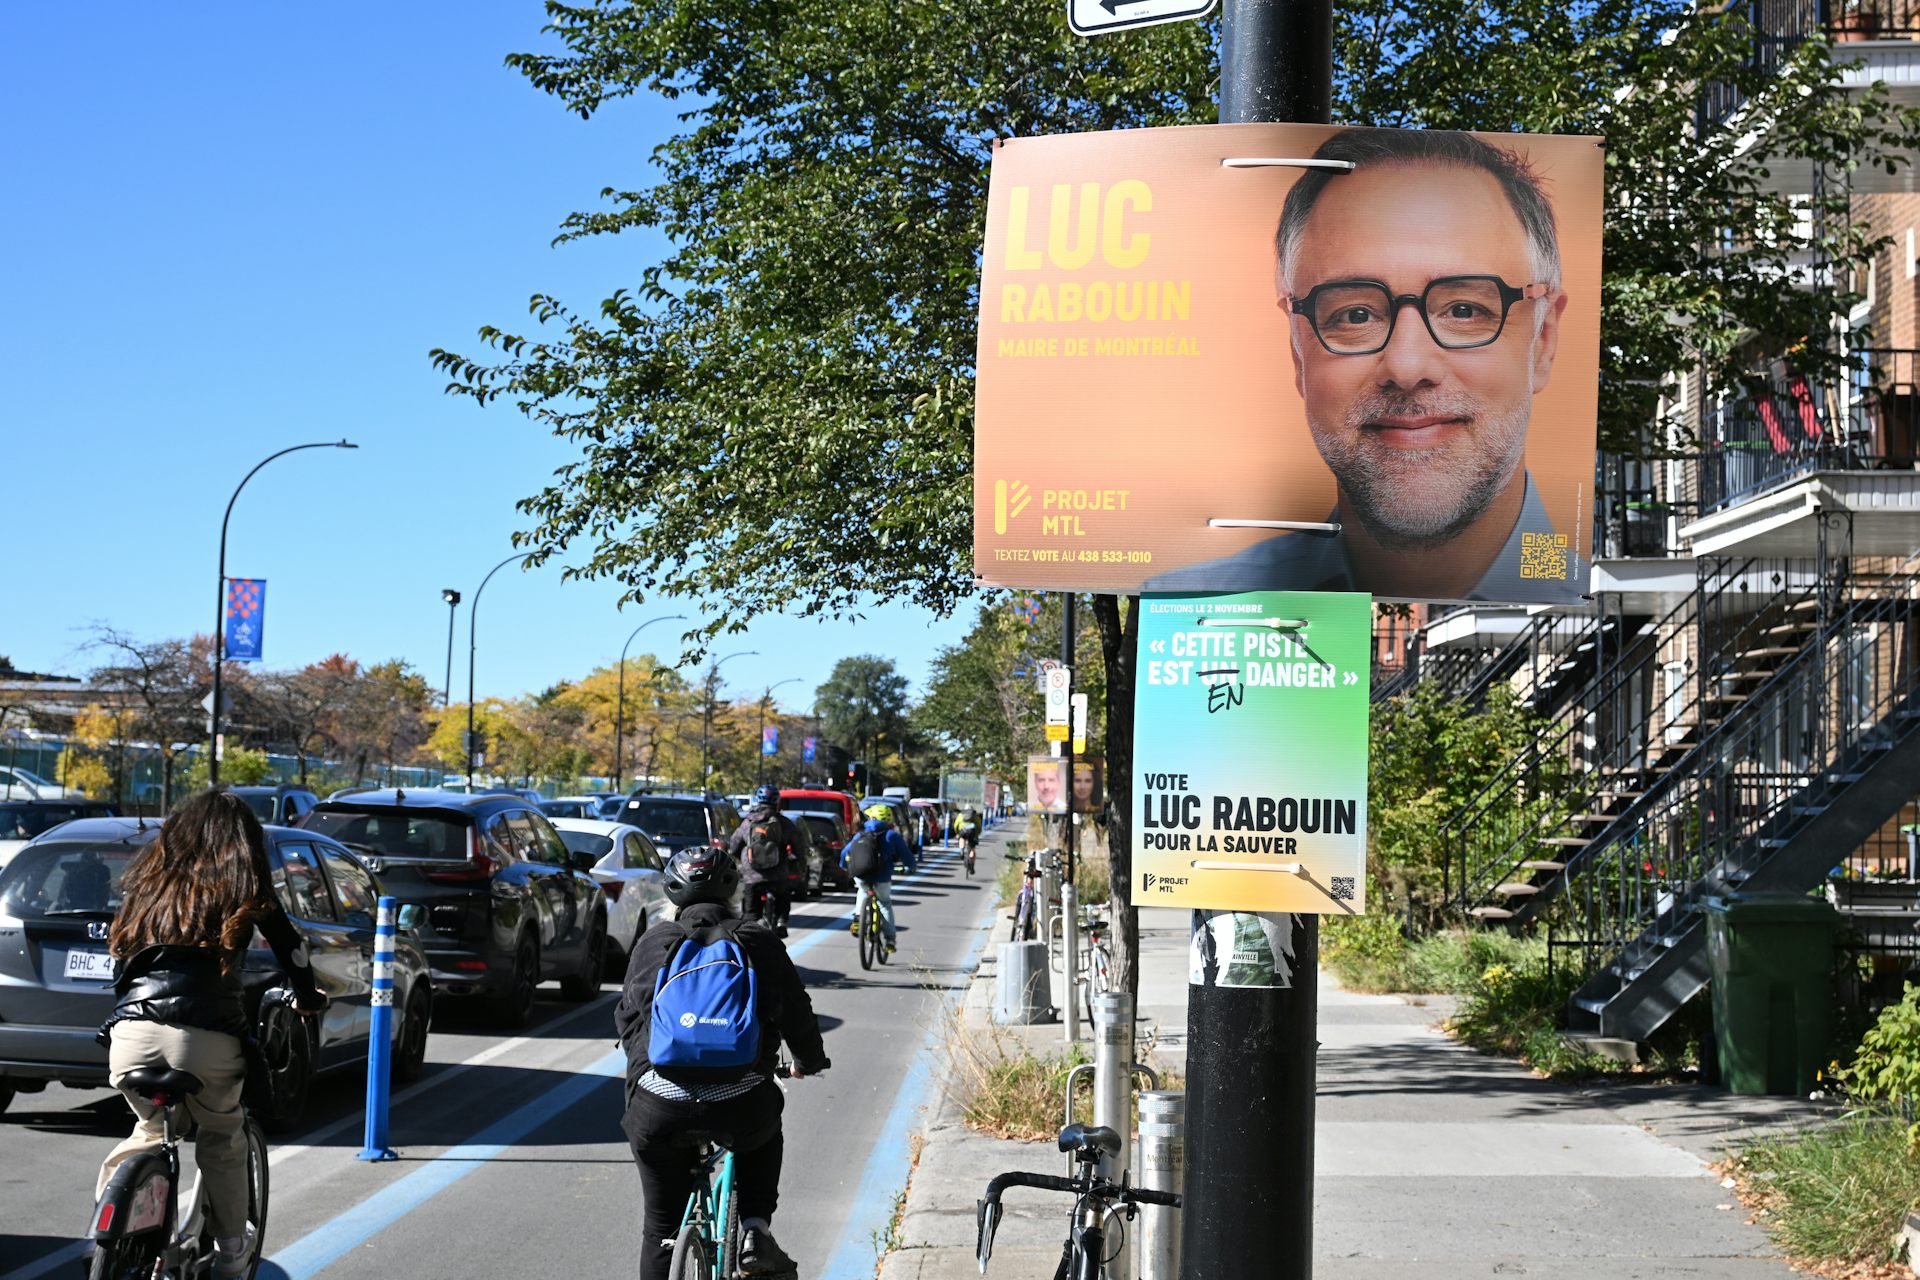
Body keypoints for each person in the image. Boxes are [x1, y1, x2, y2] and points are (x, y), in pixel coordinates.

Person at [1147, 128, 1586, 604]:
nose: (1407, 365)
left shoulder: (1595, 602)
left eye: (1463, 310)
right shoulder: (1192, 605)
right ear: (1298, 354)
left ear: (1543, 341)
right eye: (1355, 315)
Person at [95, 790, 328, 1278]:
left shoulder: (149, 883)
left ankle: (108, 1236)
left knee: (150, 1130)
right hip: (202, 1037)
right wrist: (308, 996)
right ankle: (228, 1253)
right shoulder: (246, 886)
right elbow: (291, 949)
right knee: (221, 1135)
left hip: (130, 1032)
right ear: (243, 842)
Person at [616, 845, 828, 1279]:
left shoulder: (654, 941)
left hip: (659, 1103)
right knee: (764, 1130)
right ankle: (754, 1230)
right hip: (741, 1098)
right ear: (732, 887)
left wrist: (642, 1072)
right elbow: (795, 1008)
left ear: (673, 891)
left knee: (661, 1226)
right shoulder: (756, 938)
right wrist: (808, 1059)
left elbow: (627, 1017)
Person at [728, 784, 807, 939]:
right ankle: (782, 922)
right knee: (783, 895)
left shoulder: (748, 822)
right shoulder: (783, 823)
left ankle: (747, 939)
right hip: (778, 874)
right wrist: (799, 862)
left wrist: (742, 862)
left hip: (752, 875)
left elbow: (734, 845)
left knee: (750, 914)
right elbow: (799, 845)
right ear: (777, 801)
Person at [843, 805, 913, 955]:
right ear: (888, 819)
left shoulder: (861, 834)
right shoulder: (891, 835)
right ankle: (889, 940)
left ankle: (858, 918)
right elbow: (906, 856)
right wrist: (911, 867)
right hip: (882, 877)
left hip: (862, 874)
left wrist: (843, 865)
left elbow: (845, 852)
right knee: (884, 903)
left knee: (862, 890)